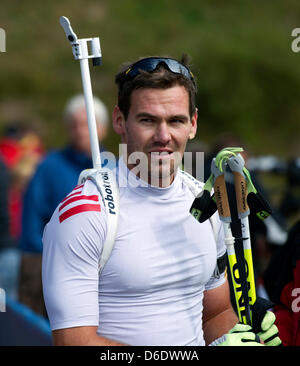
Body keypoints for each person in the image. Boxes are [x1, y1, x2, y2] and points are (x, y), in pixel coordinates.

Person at [42, 56, 280, 346]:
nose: (163, 136)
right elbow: (74, 343)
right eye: (147, 120)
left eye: (176, 120)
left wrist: (240, 338)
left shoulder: (205, 205)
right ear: (120, 120)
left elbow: (215, 313)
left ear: (192, 124)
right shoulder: (84, 214)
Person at [18, 94, 110, 316]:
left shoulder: (114, 167)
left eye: (87, 124)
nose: (80, 131)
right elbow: (32, 220)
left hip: (100, 270)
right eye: (75, 125)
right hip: (47, 265)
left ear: (103, 128)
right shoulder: (49, 166)